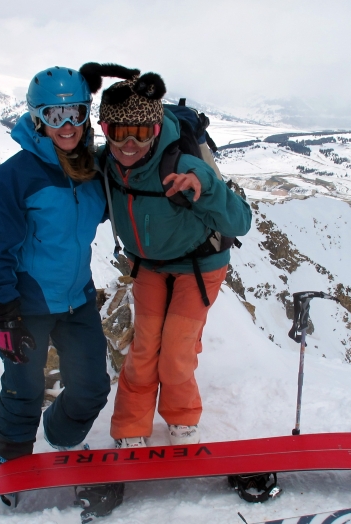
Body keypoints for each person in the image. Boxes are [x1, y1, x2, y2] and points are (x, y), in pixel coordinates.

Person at [79, 62, 252, 449]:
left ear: (156, 130)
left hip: (199, 264)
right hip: (149, 266)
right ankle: (129, 428)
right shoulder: (108, 167)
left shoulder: (181, 164)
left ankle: (182, 418)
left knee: (175, 352)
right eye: (118, 132)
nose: (129, 144)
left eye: (140, 133)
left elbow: (240, 221)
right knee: (143, 351)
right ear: (105, 130)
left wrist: (204, 187)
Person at [0, 67, 111, 498]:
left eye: (76, 113)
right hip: (27, 304)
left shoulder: (92, 170)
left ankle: (63, 442)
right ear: (38, 118)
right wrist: (4, 311)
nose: (68, 126)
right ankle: (9, 469)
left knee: (91, 388)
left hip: (77, 300)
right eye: (56, 115)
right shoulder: (14, 178)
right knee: (24, 391)